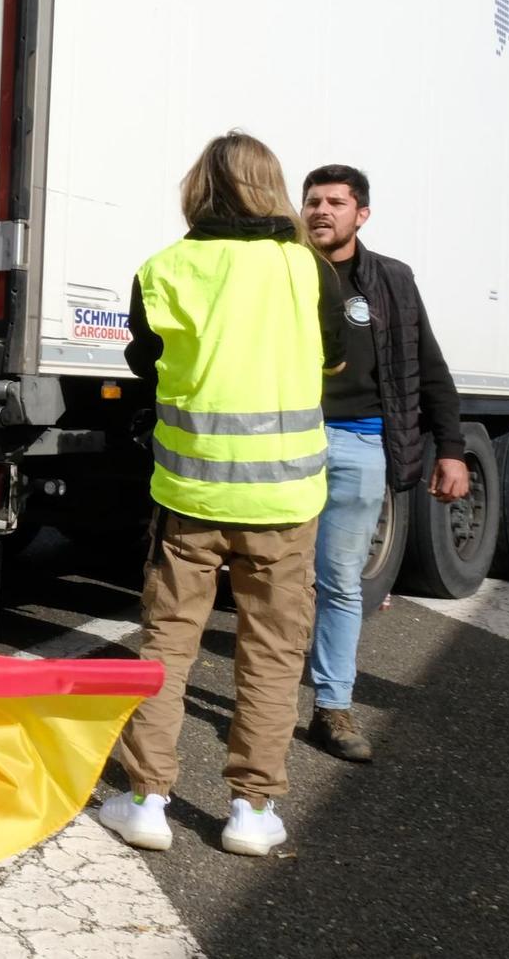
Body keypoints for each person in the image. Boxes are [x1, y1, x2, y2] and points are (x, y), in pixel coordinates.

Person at [97, 131, 344, 858]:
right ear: (273, 186)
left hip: (190, 496)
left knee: (168, 645)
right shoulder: (310, 270)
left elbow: (147, 360)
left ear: (198, 188)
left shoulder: (164, 268)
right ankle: (251, 808)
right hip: (285, 503)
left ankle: (146, 798)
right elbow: (332, 359)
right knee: (270, 654)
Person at [299, 164, 469, 762]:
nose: (322, 211)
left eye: (335, 203)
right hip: (287, 444)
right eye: (313, 201)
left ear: (360, 214)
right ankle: (263, 699)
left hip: (361, 443)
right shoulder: (288, 271)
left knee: (341, 581)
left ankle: (333, 707)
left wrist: (449, 448)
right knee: (275, 581)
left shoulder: (392, 280)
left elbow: (429, 366)